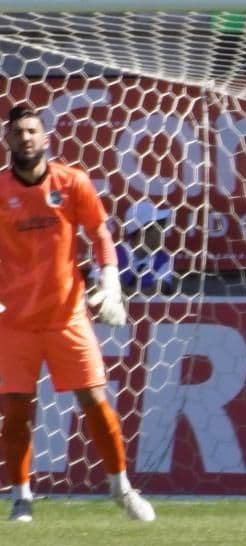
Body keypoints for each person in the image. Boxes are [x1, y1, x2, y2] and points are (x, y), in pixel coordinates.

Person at [0, 102, 155, 524]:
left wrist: (109, 282)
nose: (25, 138)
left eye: (32, 131)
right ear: (7, 141)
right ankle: (21, 497)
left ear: (45, 137)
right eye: (18, 133)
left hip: (68, 315)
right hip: (14, 321)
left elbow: (99, 232)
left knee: (94, 399)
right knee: (15, 409)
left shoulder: (73, 183)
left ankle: (121, 488)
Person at [117, 201, 178, 297]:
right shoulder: (112, 253)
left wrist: (124, 291)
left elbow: (157, 290)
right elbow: (95, 284)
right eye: (160, 226)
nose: (164, 231)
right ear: (143, 231)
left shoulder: (163, 258)